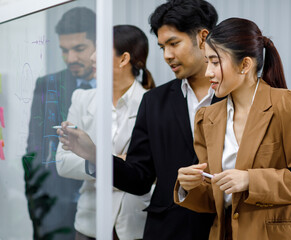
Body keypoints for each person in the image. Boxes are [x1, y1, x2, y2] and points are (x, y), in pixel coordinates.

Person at [58, 0, 220, 239]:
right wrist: (95, 154)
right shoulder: (155, 101)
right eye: (162, 47)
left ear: (203, 38)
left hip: (223, 228)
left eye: (174, 43)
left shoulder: (235, 97)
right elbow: (140, 178)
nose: (167, 55)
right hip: (166, 231)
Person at [174, 18, 291, 240]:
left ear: (245, 65)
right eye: (207, 62)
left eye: (215, 62)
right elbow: (214, 199)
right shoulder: (206, 118)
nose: (208, 72)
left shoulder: (288, 104)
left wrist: (250, 180)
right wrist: (188, 186)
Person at [56, 25, 155, 240]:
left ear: (123, 59)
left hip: (135, 225)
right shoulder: (81, 99)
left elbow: (155, 171)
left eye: (100, 50)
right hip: (89, 223)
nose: (92, 58)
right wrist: (115, 162)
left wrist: (94, 159)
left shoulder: (154, 103)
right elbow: (62, 162)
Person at [26, 7, 96, 239]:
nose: (71, 59)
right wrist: (37, 207)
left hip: (105, 205)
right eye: (64, 51)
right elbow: (34, 150)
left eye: (79, 49)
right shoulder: (48, 84)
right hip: (56, 209)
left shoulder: (117, 84)